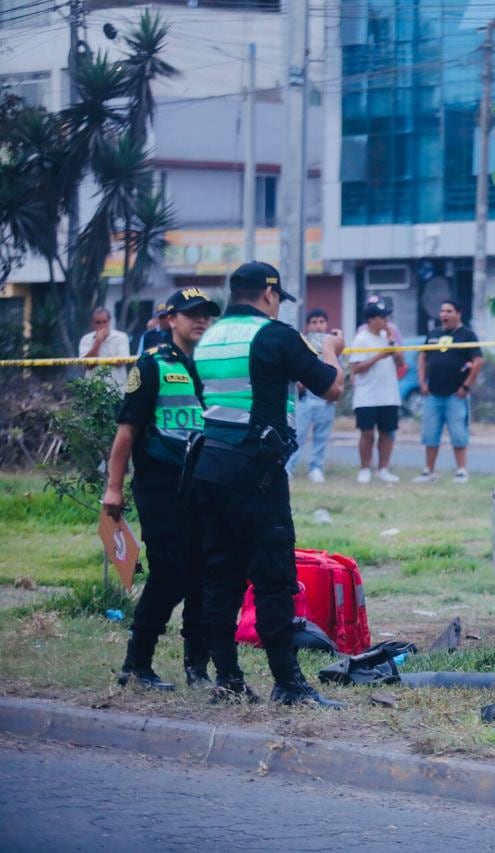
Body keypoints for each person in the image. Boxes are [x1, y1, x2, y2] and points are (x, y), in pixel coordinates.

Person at [192, 261, 347, 707]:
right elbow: (331, 388)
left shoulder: (209, 340)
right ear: (269, 295)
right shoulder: (275, 335)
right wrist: (332, 348)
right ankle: (288, 682)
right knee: (273, 577)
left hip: (210, 467)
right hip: (256, 472)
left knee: (220, 575)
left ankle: (227, 676)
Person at [102, 288, 222, 690]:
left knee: (201, 573)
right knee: (170, 572)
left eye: (206, 314)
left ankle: (196, 668)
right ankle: (137, 664)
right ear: (171, 320)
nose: (200, 320)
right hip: (159, 484)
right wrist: (113, 488)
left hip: (203, 483)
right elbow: (126, 432)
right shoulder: (152, 365)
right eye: (191, 314)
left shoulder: (211, 366)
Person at [414, 300, 484, 483]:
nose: (444, 314)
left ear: (458, 313)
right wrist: (422, 382)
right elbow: (422, 357)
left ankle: (461, 471)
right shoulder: (434, 334)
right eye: (442, 311)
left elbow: (478, 362)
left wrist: (466, 386)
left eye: (449, 311)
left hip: (456, 396)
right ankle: (428, 471)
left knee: (458, 434)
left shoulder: (467, 335)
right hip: (433, 395)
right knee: (430, 434)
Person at [349, 297, 405, 484]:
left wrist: (393, 349)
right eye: (382, 317)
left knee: (387, 432)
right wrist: (379, 356)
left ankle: (383, 469)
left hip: (389, 394)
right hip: (367, 395)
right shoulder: (361, 339)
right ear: (371, 319)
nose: (386, 321)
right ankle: (365, 468)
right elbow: (355, 368)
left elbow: (401, 363)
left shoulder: (388, 338)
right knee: (367, 433)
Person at [286, 309, 337, 483]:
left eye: (321, 321)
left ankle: (316, 468)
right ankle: (289, 467)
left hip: (325, 400)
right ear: (308, 325)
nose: (318, 325)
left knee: (321, 437)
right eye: (314, 322)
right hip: (305, 398)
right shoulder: (302, 342)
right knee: (298, 435)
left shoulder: (333, 344)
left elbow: (339, 370)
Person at [79, 307, 132, 389]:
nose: (101, 325)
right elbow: (88, 365)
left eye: (104, 322)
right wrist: (98, 342)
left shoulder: (121, 337)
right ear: (93, 323)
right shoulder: (85, 339)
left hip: (116, 390)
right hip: (93, 390)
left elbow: (122, 362)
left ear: (109, 321)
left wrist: (100, 360)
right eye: (98, 322)